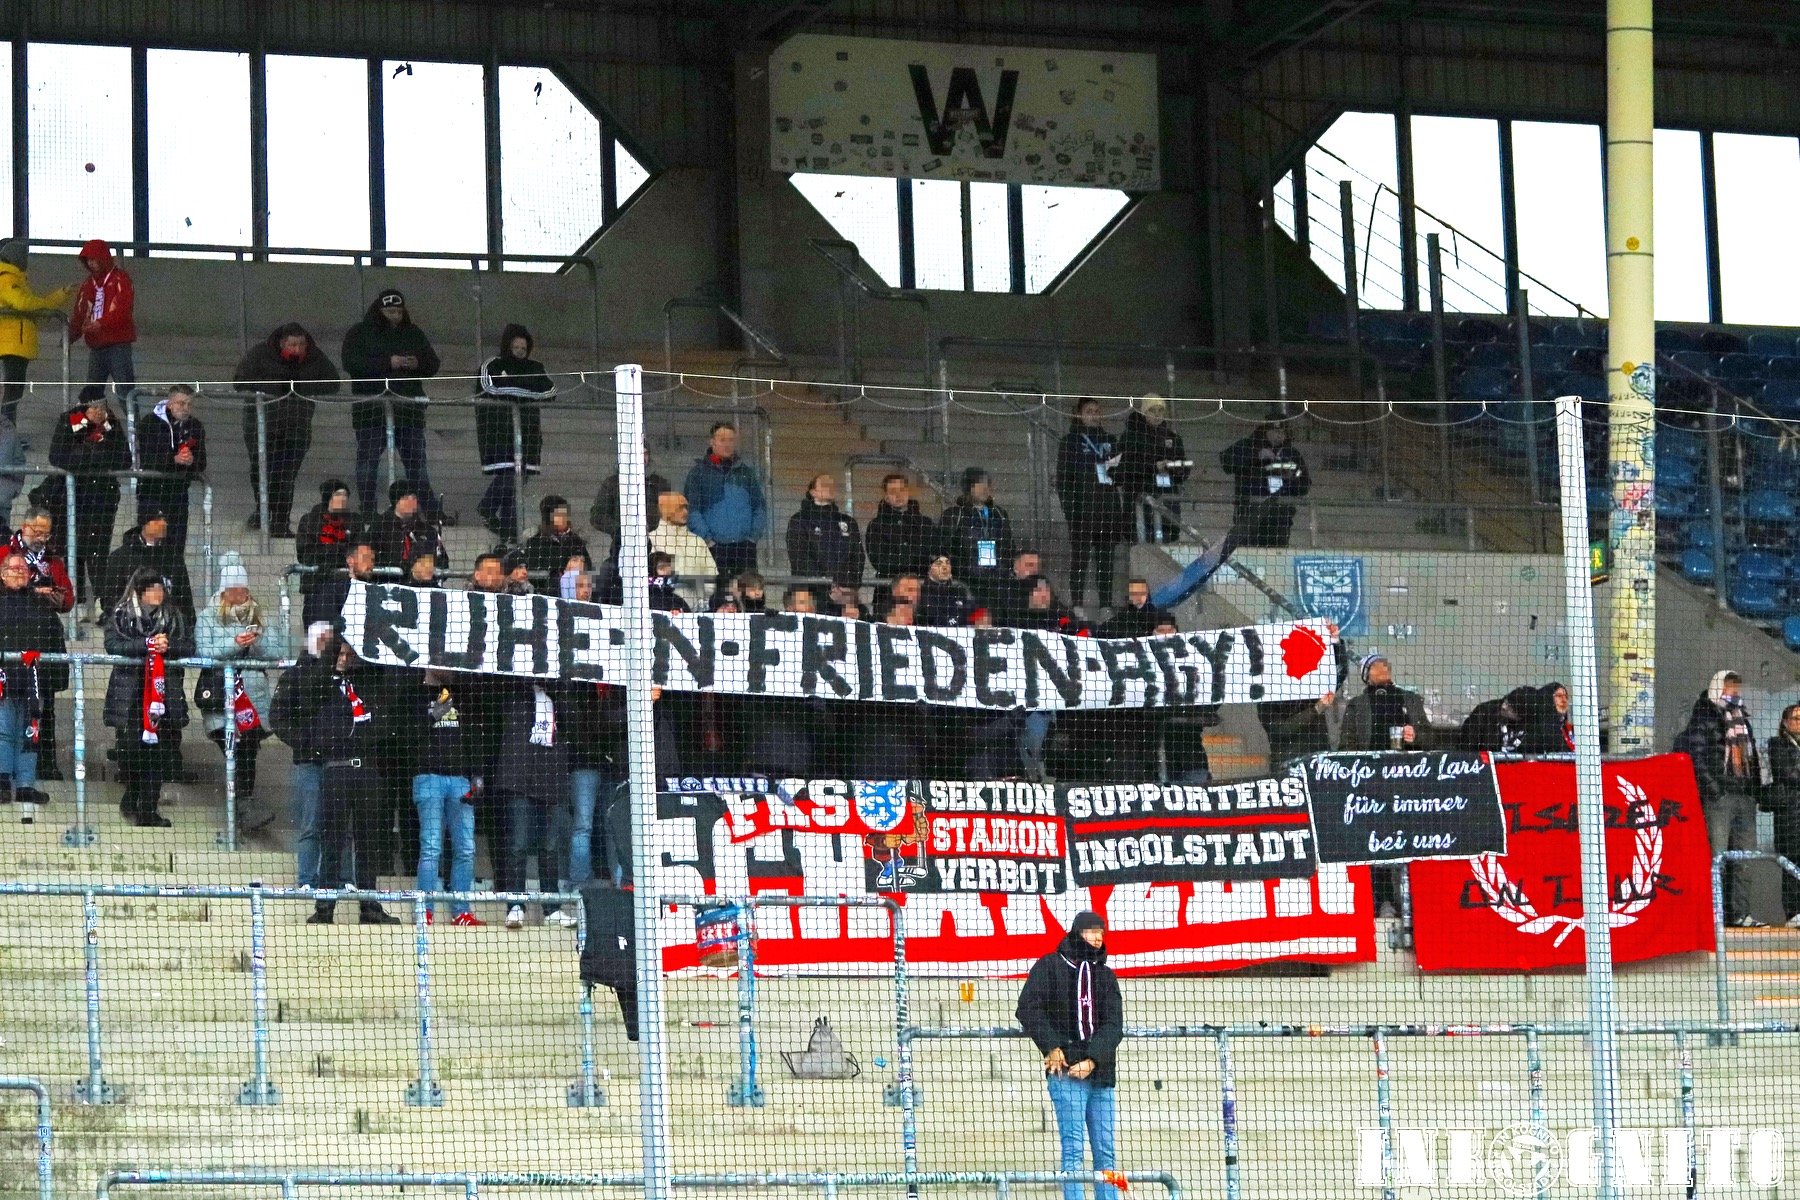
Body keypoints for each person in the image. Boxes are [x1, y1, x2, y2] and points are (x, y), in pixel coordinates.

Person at [288, 633, 402, 925]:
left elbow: (385, 676)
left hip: (367, 771)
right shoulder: (321, 686)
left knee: (368, 840)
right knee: (333, 839)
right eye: (339, 653)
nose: (344, 658)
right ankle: (325, 907)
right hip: (336, 770)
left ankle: (369, 906)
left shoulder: (367, 683)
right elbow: (308, 691)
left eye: (349, 654)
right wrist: (333, 652)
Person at [1016, 911, 1123, 1200]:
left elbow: (1114, 1026)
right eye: (1092, 931)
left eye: (1101, 932)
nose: (1098, 937)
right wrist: (1051, 1046)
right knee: (1073, 1151)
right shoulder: (1049, 966)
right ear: (1077, 933)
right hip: (1065, 1075)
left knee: (1106, 1153)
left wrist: (1092, 1061)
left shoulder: (1105, 976)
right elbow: (1028, 1008)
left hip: (1101, 1075)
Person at [233, 322, 342, 538]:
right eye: (292, 344)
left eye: (301, 344)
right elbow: (240, 382)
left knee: (286, 476)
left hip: (296, 427)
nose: (297, 349)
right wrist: (277, 387)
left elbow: (333, 383)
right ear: (282, 343)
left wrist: (301, 387)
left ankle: (280, 521)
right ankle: (262, 511)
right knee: (261, 470)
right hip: (261, 426)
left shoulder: (315, 358)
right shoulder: (260, 354)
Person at [1675, 670, 1765, 927]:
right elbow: (1696, 756)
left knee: (1745, 859)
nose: (1734, 692)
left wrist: (1754, 790)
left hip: (1744, 796)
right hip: (1720, 798)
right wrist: (1715, 790)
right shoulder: (1704, 715)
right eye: (1729, 687)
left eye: (1736, 688)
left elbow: (1752, 756)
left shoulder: (1742, 717)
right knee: (1717, 858)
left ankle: (1739, 913)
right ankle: (1712, 916)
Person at [104, 567, 193, 827]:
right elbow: (112, 645)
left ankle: (147, 810)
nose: (159, 594)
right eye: (153, 590)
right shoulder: (121, 615)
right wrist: (145, 645)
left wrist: (169, 646)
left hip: (163, 693)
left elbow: (189, 645)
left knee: (159, 753)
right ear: (140, 592)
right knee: (131, 750)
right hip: (131, 695)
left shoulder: (174, 616)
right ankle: (132, 795)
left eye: (161, 589)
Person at [194, 555, 277, 831]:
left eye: (243, 590)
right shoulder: (207, 617)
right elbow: (204, 651)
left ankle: (244, 806)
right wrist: (235, 643)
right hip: (222, 697)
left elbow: (276, 653)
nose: (239, 595)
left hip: (253, 700)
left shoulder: (258, 615)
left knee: (248, 749)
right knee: (236, 748)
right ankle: (244, 806)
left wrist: (257, 641)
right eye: (234, 590)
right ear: (223, 591)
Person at [341, 289, 441, 516]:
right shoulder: (360, 332)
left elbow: (433, 363)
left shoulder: (413, 333)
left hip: (408, 410)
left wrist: (417, 363)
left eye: (399, 311)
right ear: (379, 310)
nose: (395, 316)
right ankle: (368, 510)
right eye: (390, 312)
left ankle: (430, 511)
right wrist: (388, 362)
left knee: (417, 464)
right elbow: (351, 362)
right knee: (368, 463)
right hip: (371, 410)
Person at [496, 680, 576, 930]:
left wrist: (559, 689)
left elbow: (574, 723)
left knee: (550, 848)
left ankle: (552, 909)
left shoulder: (560, 694)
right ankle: (515, 907)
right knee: (518, 844)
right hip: (519, 777)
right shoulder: (514, 691)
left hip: (551, 779)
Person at [410, 670, 483, 926]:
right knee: (431, 846)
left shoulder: (462, 694)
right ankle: (424, 910)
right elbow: (403, 736)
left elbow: (473, 736)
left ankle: (461, 911)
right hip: (428, 776)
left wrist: (477, 774)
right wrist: (431, 716)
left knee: (466, 848)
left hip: (460, 779)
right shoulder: (414, 694)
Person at [45, 389, 129, 610]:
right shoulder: (68, 421)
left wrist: (98, 456)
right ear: (83, 408)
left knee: (98, 550)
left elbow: (125, 459)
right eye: (94, 408)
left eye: (102, 407)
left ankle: (102, 602)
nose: (99, 412)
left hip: (102, 497)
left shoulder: (111, 424)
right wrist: (90, 455)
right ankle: (78, 600)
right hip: (73, 496)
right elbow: (56, 456)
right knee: (73, 549)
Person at [0, 551, 68, 822]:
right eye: (13, 568)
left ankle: (25, 786)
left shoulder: (41, 605)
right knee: (4, 731)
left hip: (33, 683)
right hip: (3, 681)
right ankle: (2, 782)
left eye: (23, 568)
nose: (18, 571)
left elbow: (56, 641)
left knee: (30, 733)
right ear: (2, 574)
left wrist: (57, 678)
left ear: (30, 575)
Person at [473, 323, 555, 540]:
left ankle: (509, 534)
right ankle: (487, 507)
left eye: (523, 348)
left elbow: (550, 391)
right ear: (507, 346)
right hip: (498, 433)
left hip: (528, 434)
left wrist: (514, 389)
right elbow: (490, 388)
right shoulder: (492, 365)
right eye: (516, 347)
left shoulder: (536, 367)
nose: (520, 351)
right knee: (509, 476)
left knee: (518, 483)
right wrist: (527, 391)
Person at [1055, 398, 1125, 612]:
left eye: (1097, 411)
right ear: (1079, 414)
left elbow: (1120, 475)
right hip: (1082, 511)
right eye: (1089, 411)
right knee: (1080, 561)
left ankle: (1105, 606)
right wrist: (1071, 512)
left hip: (1107, 511)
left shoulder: (1110, 440)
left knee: (1106, 562)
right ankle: (1077, 605)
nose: (1094, 415)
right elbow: (1064, 481)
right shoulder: (1070, 442)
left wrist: (1114, 470)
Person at [0, 238, 73, 430]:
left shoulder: (17, 280)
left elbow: (36, 305)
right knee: (12, 393)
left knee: (14, 392)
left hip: (16, 343)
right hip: (13, 343)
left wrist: (61, 294)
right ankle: (6, 434)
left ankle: (7, 433)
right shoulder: (7, 278)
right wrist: (40, 305)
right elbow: (24, 303)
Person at [682, 422, 765, 588]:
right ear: (711, 442)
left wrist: (752, 538)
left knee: (749, 594)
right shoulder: (698, 474)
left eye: (731, 440)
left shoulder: (746, 473)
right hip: (714, 549)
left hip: (744, 548)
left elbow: (759, 507)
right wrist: (708, 540)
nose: (727, 444)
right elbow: (692, 510)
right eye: (722, 440)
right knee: (717, 594)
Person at [134, 385, 207, 550]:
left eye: (189, 404)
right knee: (151, 547)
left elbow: (202, 462)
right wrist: (173, 459)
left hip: (178, 495)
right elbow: (146, 458)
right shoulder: (149, 423)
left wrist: (190, 461)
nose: (186, 408)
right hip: (152, 493)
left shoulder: (195, 426)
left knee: (176, 548)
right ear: (170, 404)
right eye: (181, 403)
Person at [1220, 424, 1310, 547]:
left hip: (1280, 517)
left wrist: (1290, 479)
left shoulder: (1292, 454)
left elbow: (1304, 484)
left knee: (1277, 552)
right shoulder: (1247, 445)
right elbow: (1227, 463)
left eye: (1283, 432)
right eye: (1276, 431)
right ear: (1265, 431)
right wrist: (1255, 456)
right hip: (1249, 513)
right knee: (1247, 550)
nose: (1279, 435)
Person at [104, 509, 195, 626]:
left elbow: (185, 601)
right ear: (145, 523)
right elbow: (111, 601)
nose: (164, 523)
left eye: (165, 519)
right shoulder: (120, 557)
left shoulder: (174, 558)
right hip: (131, 629)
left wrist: (186, 628)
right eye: (158, 519)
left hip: (169, 628)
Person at [1118, 394, 1189, 542]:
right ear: (1144, 412)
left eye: (1160, 410)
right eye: (1152, 410)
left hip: (1167, 509)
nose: (1157, 415)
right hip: (1139, 509)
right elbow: (1124, 468)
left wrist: (1173, 467)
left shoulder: (1173, 438)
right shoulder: (1130, 438)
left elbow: (1184, 469)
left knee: (1165, 549)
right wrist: (1152, 467)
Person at [940, 468, 1015, 607]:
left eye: (987, 484)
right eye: (979, 484)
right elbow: (944, 547)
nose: (985, 489)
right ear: (968, 488)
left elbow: (1008, 546)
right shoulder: (955, 514)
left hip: (997, 581)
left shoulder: (999, 514)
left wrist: (1006, 569)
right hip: (967, 582)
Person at [69, 240, 135, 391]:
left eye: (93, 259)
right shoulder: (88, 284)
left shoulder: (121, 279)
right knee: (91, 394)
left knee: (125, 392)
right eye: (87, 260)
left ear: (103, 258)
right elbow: (80, 312)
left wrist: (101, 323)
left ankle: (129, 409)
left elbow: (123, 309)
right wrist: (71, 335)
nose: (90, 263)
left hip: (118, 344)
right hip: (96, 346)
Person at [1340, 654, 1431, 752]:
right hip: (1371, 761)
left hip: (1407, 760)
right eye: (1375, 666)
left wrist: (1415, 736)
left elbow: (1431, 739)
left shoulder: (1411, 700)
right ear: (1367, 676)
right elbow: (1346, 745)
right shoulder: (1356, 705)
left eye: (1384, 665)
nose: (1381, 669)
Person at [786, 473, 864, 586]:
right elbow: (799, 557)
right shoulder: (799, 520)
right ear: (813, 492)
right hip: (811, 590)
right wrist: (822, 582)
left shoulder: (849, 522)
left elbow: (858, 556)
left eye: (832, 485)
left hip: (843, 590)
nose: (830, 487)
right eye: (824, 484)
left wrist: (849, 583)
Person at [648, 493, 718, 607]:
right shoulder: (651, 539)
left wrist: (703, 605)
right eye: (680, 508)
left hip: (692, 612)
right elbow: (648, 578)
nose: (685, 512)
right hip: (659, 608)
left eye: (686, 507)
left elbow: (711, 579)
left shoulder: (697, 541)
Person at [865, 472, 936, 580]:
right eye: (893, 491)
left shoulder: (925, 523)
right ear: (886, 497)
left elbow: (936, 553)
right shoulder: (876, 525)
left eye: (902, 490)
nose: (898, 494)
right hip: (891, 586)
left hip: (922, 585)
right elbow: (880, 562)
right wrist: (918, 558)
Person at [297, 479, 359, 601]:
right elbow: (305, 553)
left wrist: (330, 553)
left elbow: (358, 548)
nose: (343, 498)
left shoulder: (354, 521)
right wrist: (338, 552)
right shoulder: (309, 521)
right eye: (338, 494)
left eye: (345, 495)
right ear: (328, 497)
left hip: (347, 583)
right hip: (317, 585)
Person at [1767, 705, 1800, 928]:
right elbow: (1787, 774)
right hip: (1790, 816)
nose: (1799, 722)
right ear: (1785, 722)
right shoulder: (1777, 744)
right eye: (1796, 718)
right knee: (1791, 863)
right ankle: (1793, 912)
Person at [368, 481, 447, 572]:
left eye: (416, 499)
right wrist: (404, 568)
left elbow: (443, 561)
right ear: (399, 501)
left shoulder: (428, 531)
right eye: (412, 499)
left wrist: (430, 569)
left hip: (423, 580)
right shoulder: (379, 528)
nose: (416, 503)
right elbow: (370, 559)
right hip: (389, 579)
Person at [8, 508, 75, 614]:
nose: (42, 539)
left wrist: (62, 601)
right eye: (38, 533)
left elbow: (69, 597)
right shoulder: (6, 552)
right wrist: (35, 593)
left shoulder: (52, 560)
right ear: (24, 527)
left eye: (46, 535)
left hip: (42, 618)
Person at [520, 495, 590, 594]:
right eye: (559, 515)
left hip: (578, 591)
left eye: (565, 514)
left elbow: (589, 567)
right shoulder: (535, 542)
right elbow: (534, 574)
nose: (564, 518)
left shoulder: (576, 540)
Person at [303, 538, 376, 631]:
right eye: (365, 558)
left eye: (372, 560)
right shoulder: (332, 592)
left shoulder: (375, 593)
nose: (370, 564)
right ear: (350, 561)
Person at [1459, 687, 1541, 754]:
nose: (1504, 706)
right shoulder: (1484, 712)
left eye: (1510, 707)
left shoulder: (1534, 723)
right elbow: (1467, 748)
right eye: (1506, 701)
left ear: (1521, 716)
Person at [1098, 579, 1168, 639]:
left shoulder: (1158, 615)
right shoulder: (1123, 616)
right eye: (1134, 593)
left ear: (1147, 594)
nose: (1138, 596)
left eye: (1142, 593)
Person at [918, 554, 975, 627]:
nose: (945, 567)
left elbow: (971, 616)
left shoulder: (960, 590)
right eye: (939, 564)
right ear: (929, 569)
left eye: (947, 563)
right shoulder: (919, 592)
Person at [1526, 681, 1574, 753]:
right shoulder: (1538, 729)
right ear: (1548, 699)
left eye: (1566, 697)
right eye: (1559, 696)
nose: (1564, 700)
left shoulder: (1568, 729)